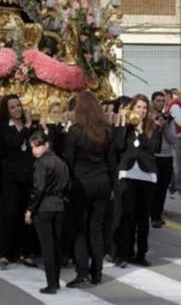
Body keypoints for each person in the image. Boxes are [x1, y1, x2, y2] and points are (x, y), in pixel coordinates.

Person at [63, 91, 116, 287]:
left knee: (79, 228)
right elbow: (112, 162)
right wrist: (112, 187)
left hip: (81, 184)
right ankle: (97, 273)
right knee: (96, 229)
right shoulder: (106, 130)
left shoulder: (75, 131)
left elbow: (69, 161)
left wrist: (66, 189)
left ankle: (82, 271)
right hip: (102, 183)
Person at [113, 94, 161, 268]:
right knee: (127, 215)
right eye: (138, 107)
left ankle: (141, 253)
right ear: (132, 108)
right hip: (127, 174)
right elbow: (118, 146)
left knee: (142, 217)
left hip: (147, 176)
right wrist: (124, 125)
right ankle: (123, 253)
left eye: (144, 108)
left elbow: (154, 148)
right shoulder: (124, 125)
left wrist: (141, 131)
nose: (141, 110)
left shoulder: (153, 127)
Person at [0, 94, 35, 270]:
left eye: (19, 105)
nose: (17, 109)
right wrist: (26, 128)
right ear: (6, 110)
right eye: (12, 107)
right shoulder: (3, 127)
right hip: (10, 177)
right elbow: (13, 143)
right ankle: (3, 252)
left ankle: (26, 252)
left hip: (28, 176)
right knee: (9, 214)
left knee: (27, 215)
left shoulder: (30, 127)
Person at [25, 131, 69, 295]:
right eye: (32, 147)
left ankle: (51, 284)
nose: (34, 151)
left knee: (48, 247)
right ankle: (55, 281)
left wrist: (30, 209)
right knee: (56, 245)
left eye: (37, 146)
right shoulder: (61, 162)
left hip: (44, 208)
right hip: (59, 206)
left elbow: (39, 189)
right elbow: (67, 184)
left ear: (46, 145)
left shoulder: (40, 164)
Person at [150, 91, 173, 228]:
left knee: (163, 188)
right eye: (158, 100)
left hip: (166, 157)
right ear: (152, 101)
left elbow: (172, 140)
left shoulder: (168, 118)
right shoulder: (147, 116)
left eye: (163, 101)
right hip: (153, 157)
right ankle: (153, 215)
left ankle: (158, 215)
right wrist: (155, 125)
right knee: (154, 188)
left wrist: (164, 126)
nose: (160, 103)